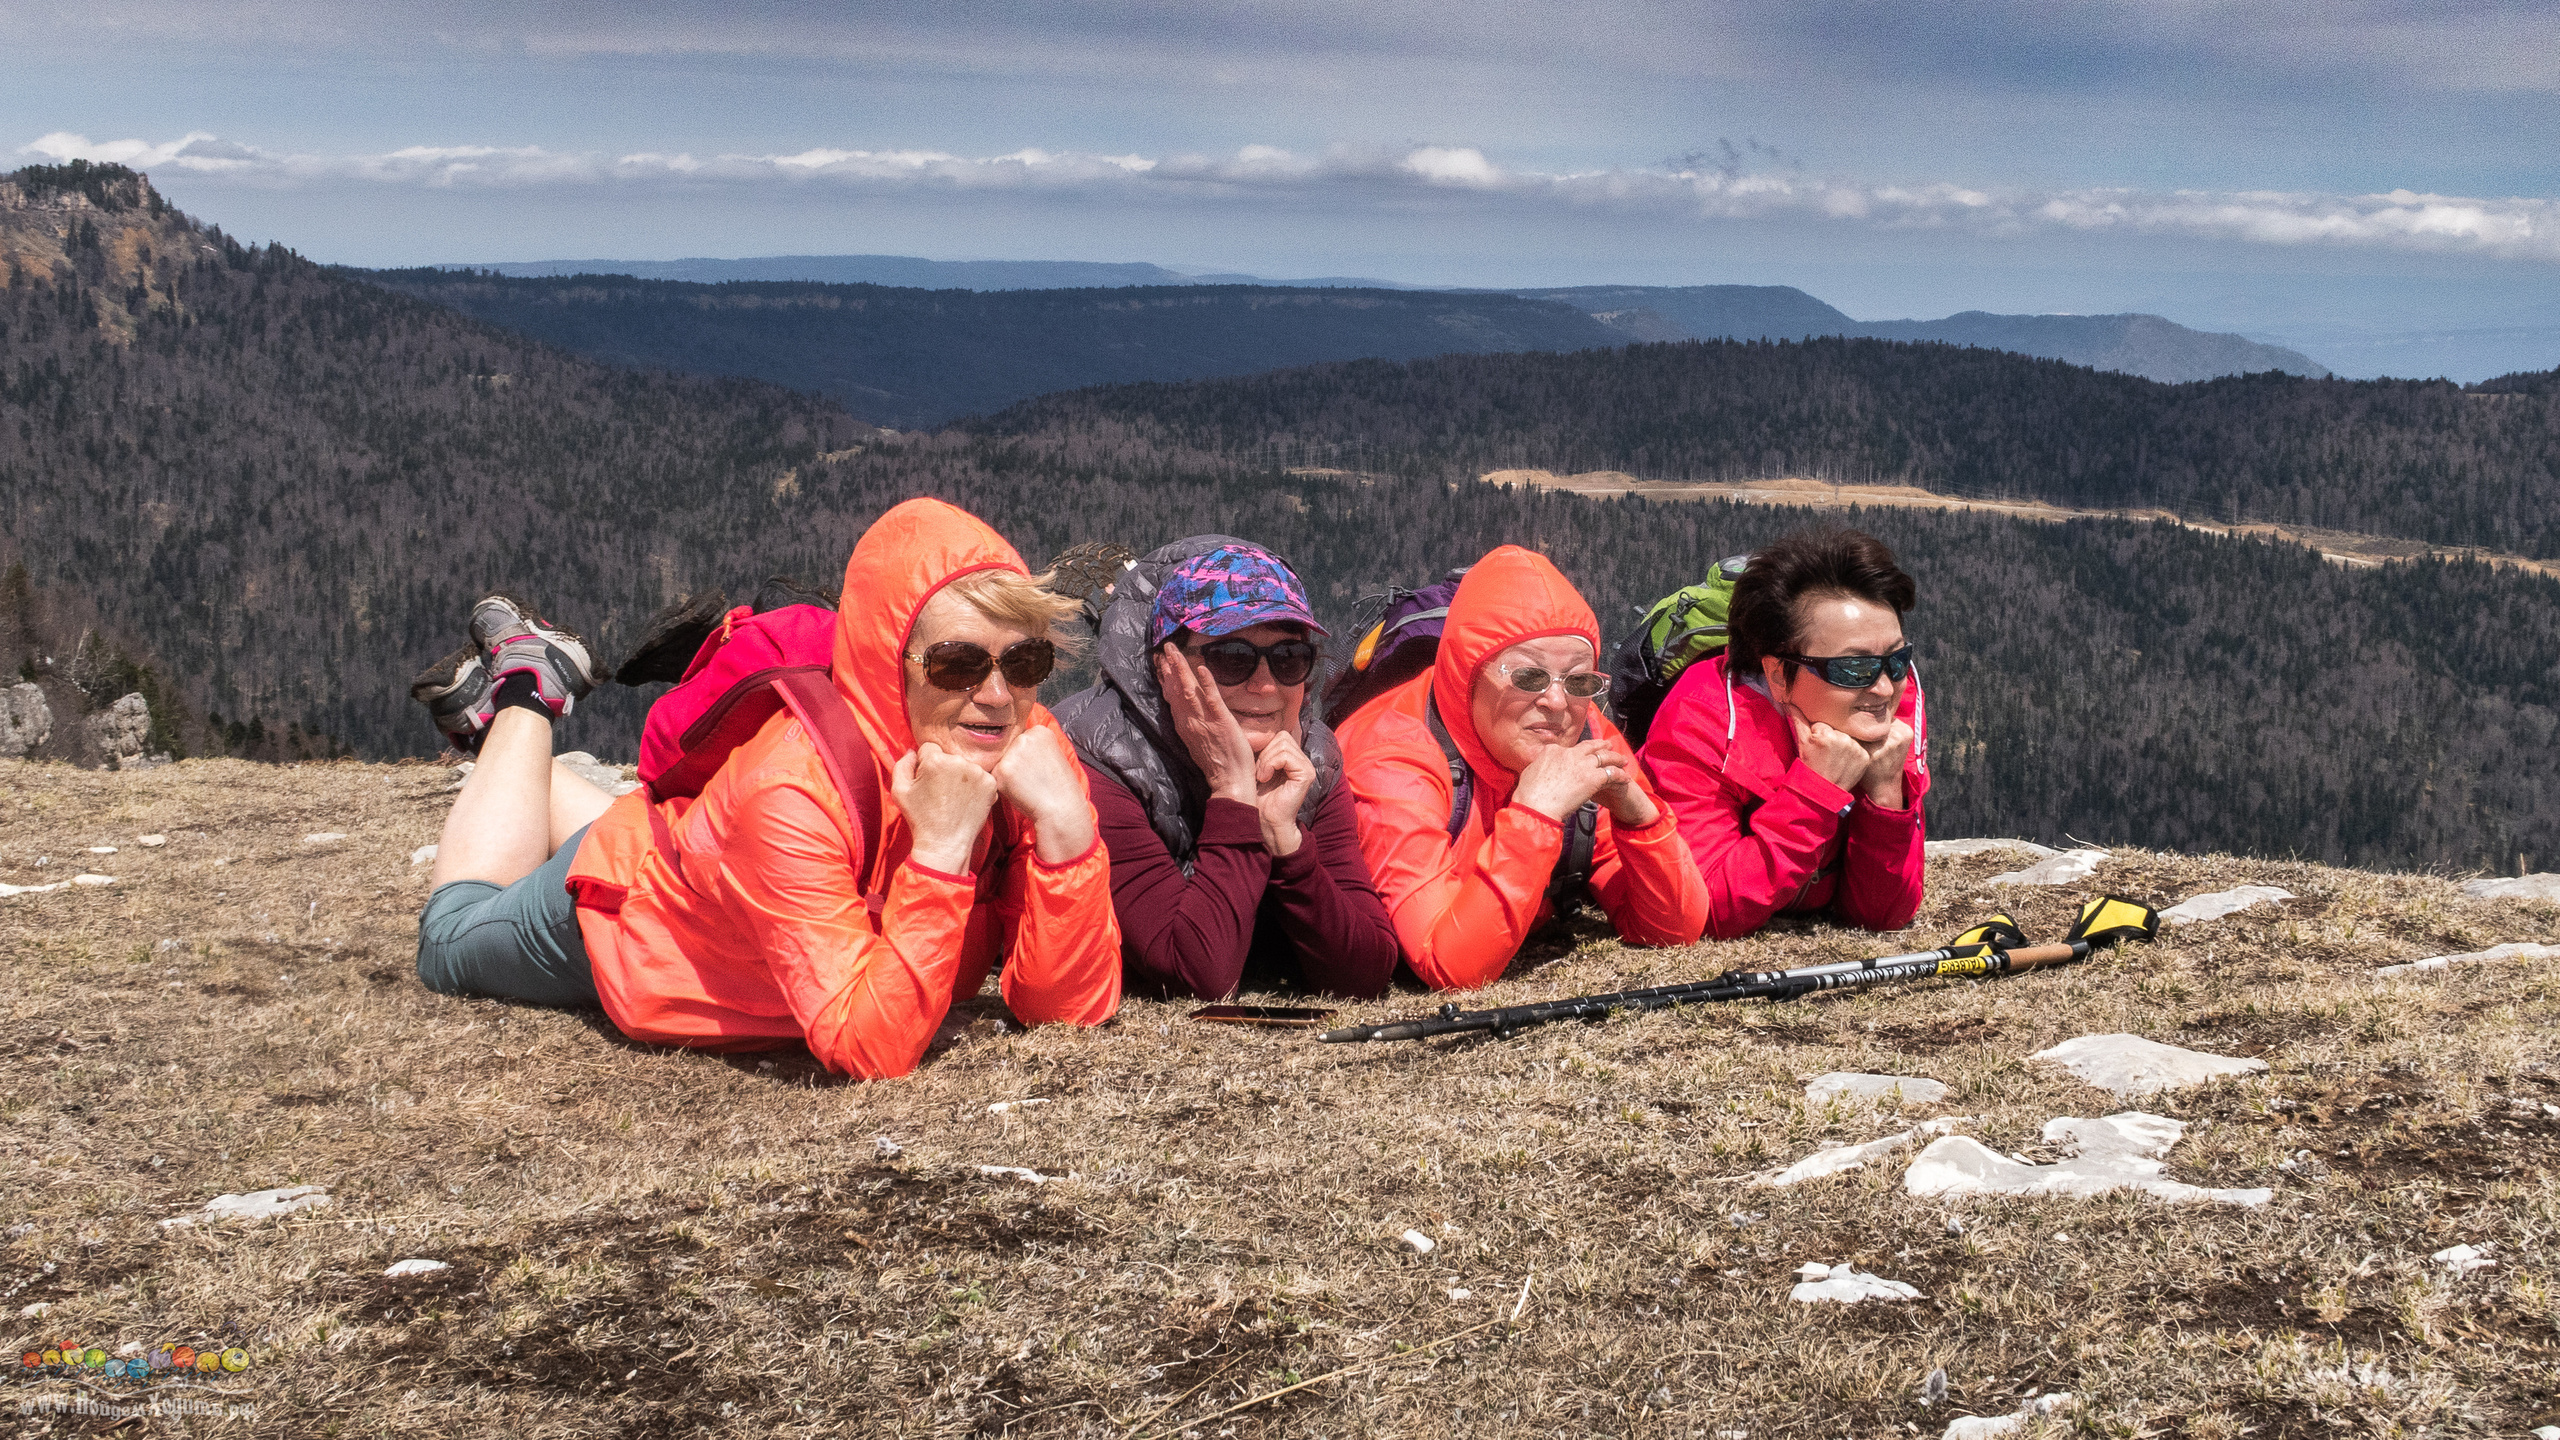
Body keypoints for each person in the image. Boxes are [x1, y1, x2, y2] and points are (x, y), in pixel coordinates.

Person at [407, 498, 1122, 1079]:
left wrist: (1066, 830)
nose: (998, 694)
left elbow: (1068, 1009)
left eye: (1025, 660)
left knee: (672, 831)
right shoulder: (791, 791)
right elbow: (870, 1047)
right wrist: (940, 849)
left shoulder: (1029, 751)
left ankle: (516, 762)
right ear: (887, 662)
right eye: (958, 665)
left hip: (718, 861)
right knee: (449, 942)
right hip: (636, 916)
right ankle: (529, 688)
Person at [1334, 545, 1708, 990]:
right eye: (1528, 677)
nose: (1556, 702)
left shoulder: (1585, 729)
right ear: (1467, 672)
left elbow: (1672, 930)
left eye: (1579, 680)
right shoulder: (1394, 757)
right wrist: (1537, 815)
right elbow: (1448, 964)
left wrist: (1640, 817)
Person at [1055, 538, 1398, 1000]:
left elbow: (1365, 974)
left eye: (1288, 659)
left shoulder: (1312, 758)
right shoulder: (1094, 755)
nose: (1264, 685)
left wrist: (1286, 841)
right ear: (1166, 666)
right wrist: (1233, 792)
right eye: (1230, 658)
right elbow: (1196, 976)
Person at [1637, 526, 1928, 940]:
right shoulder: (1701, 720)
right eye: (1852, 668)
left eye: (1897, 659)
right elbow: (1708, 909)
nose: (1883, 687)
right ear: (1776, 672)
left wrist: (1885, 797)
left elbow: (1882, 915)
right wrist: (1814, 793)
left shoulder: (1893, 703)